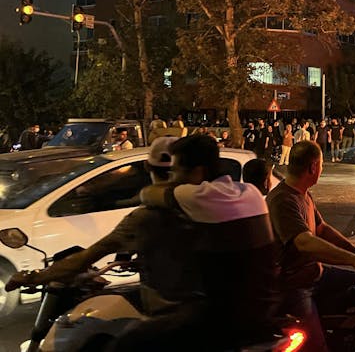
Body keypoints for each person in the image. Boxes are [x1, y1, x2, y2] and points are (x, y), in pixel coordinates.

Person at [4, 137, 211, 351]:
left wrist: (32, 277)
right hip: (209, 313)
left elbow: (85, 258)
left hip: (173, 318)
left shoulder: (146, 218)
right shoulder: (211, 209)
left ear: (147, 167)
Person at [140, 134, 279, 349]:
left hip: (223, 323)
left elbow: (149, 194)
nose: (172, 177)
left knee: (132, 339)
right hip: (266, 311)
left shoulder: (195, 196)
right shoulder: (250, 192)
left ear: (198, 172)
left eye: (176, 170)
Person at [266, 141, 355, 351]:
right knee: (316, 347)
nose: (322, 169)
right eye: (321, 165)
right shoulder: (283, 200)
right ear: (312, 167)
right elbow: (305, 242)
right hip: (296, 284)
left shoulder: (303, 193)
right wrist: (353, 260)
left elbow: (321, 229)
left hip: (315, 273)